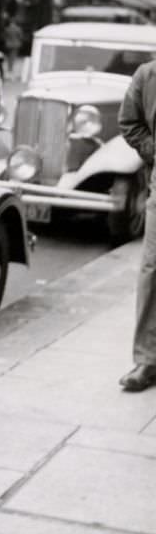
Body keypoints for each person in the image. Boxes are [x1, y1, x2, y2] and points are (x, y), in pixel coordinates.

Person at [118, 59, 156, 391]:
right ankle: (147, 359)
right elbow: (129, 121)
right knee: (152, 268)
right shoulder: (148, 75)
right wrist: (153, 150)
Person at [3, 16, 23, 80]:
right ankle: (11, 68)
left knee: (9, 56)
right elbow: (20, 36)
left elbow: (4, 37)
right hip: (16, 44)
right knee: (13, 56)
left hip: (8, 44)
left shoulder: (7, 29)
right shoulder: (18, 29)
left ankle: (9, 68)